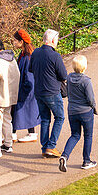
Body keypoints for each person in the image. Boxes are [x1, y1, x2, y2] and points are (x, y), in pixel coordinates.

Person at [30, 29, 68, 158]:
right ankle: (51, 146)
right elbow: (63, 75)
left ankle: (45, 147)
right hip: (52, 91)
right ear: (52, 40)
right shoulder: (55, 56)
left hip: (39, 91)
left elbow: (31, 69)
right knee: (60, 117)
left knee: (45, 119)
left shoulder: (35, 53)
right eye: (56, 40)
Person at [58, 55, 98, 172]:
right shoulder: (86, 81)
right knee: (88, 135)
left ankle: (65, 155)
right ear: (84, 67)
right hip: (85, 111)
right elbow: (90, 98)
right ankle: (86, 160)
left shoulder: (69, 77)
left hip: (72, 111)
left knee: (75, 135)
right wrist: (93, 107)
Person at [12, 29, 39, 142]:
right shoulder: (25, 54)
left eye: (14, 40)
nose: (13, 42)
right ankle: (29, 133)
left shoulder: (27, 57)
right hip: (27, 89)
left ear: (21, 42)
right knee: (27, 112)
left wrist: (23, 90)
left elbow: (29, 77)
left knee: (19, 111)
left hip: (26, 89)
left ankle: (12, 133)